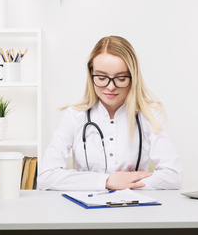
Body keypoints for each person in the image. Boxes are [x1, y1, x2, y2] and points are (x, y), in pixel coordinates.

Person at [38, 36, 182, 190]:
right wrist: (106, 182)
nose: (111, 87)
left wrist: (125, 185)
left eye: (120, 78)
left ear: (133, 77)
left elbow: (173, 176)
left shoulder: (149, 115)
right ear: (91, 74)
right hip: (85, 211)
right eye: (101, 77)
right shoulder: (74, 115)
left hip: (135, 210)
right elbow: (46, 176)